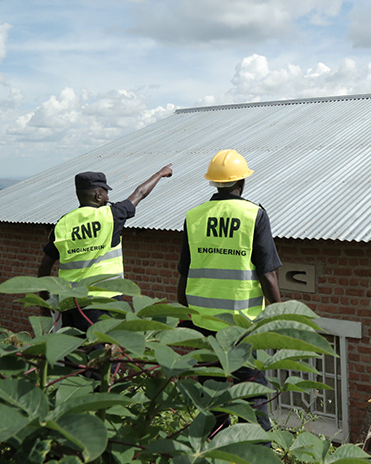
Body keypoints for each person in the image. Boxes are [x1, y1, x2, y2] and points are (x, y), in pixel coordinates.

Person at [176, 149, 282, 435]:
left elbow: (183, 276)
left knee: (212, 398)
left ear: (213, 183)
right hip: (242, 326)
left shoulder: (194, 216)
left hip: (204, 325)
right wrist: (280, 313)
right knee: (253, 397)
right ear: (242, 182)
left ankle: (213, 459)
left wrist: (188, 316)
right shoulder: (253, 215)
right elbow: (268, 274)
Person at [38, 165, 173, 329]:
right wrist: (160, 174)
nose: (108, 196)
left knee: (74, 351)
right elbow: (140, 193)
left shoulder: (63, 223)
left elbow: (45, 267)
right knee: (102, 350)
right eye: (106, 192)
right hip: (103, 302)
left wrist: (45, 303)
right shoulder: (110, 216)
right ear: (98, 195)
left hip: (69, 303)